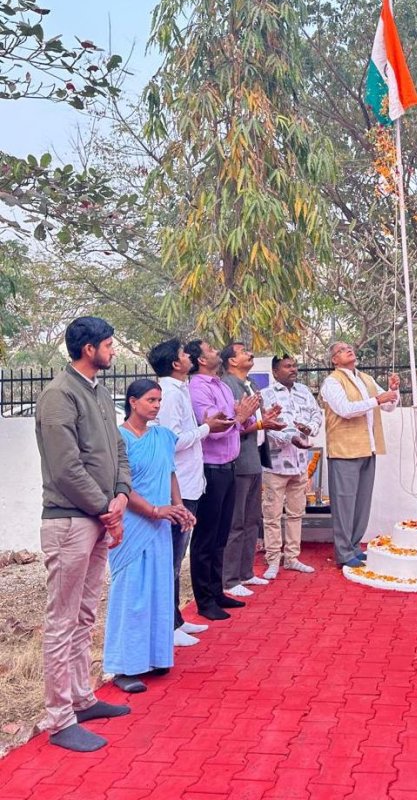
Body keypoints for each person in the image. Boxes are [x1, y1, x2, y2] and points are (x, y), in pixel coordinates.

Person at [35, 316, 132, 752]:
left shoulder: (98, 392)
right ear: (89, 348)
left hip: (98, 518)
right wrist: (105, 508)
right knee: (62, 620)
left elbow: (118, 451)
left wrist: (122, 496)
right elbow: (66, 467)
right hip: (70, 520)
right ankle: (58, 719)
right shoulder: (58, 395)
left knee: (85, 615)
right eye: (109, 345)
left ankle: (80, 698)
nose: (113, 351)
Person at [103, 380, 195, 694]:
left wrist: (180, 508)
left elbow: (170, 474)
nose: (156, 405)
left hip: (160, 526)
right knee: (131, 594)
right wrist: (155, 510)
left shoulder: (163, 436)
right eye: (150, 399)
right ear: (133, 402)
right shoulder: (118, 438)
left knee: (159, 588)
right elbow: (119, 485)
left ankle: (156, 656)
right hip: (130, 525)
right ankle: (123, 666)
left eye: (159, 400)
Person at [148, 338, 226, 647]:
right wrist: (207, 429)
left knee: (177, 557)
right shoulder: (167, 393)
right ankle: (167, 626)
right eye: (183, 353)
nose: (189, 355)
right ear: (175, 363)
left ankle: (176, 619)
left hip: (191, 482)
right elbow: (172, 441)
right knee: (171, 557)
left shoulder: (178, 389)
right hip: (177, 485)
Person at [185, 339, 258, 620]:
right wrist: (237, 415)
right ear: (202, 360)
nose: (218, 352)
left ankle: (217, 591)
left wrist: (246, 418)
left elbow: (237, 423)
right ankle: (204, 600)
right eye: (212, 350)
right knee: (206, 536)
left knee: (221, 535)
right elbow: (212, 427)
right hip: (210, 467)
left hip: (229, 465)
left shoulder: (222, 385)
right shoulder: (198, 387)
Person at [320, 342, 400, 568]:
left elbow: (388, 407)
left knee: (361, 503)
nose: (349, 350)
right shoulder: (332, 381)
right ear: (334, 360)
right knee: (344, 503)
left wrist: (393, 391)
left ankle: (354, 546)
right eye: (342, 350)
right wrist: (378, 399)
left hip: (368, 446)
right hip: (344, 450)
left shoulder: (365, 378)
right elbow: (346, 409)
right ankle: (343, 552)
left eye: (349, 347)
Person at [220, 342, 284, 593]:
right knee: (236, 522)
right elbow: (231, 425)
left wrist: (268, 421)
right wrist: (260, 426)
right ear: (232, 361)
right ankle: (229, 579)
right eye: (244, 351)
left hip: (255, 457)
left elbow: (256, 421)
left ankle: (246, 572)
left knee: (251, 520)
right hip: (238, 459)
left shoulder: (252, 385)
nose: (250, 354)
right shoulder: (227, 385)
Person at [260, 354, 323, 578]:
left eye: (294, 365)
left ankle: (292, 558)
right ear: (275, 372)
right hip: (276, 465)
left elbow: (317, 414)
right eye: (287, 366)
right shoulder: (265, 395)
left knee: (297, 513)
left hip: (299, 464)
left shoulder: (304, 391)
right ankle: (273, 560)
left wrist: (309, 428)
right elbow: (268, 427)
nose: (293, 369)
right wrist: (291, 437)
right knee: (272, 515)